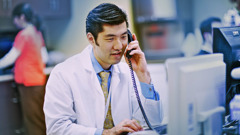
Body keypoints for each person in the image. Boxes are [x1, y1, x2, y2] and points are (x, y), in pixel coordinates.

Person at [44, 3, 163, 135]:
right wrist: (105, 133)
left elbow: (151, 124)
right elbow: (57, 129)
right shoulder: (63, 74)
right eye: (110, 38)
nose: (119, 46)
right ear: (91, 39)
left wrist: (143, 75)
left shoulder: (128, 72)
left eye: (123, 37)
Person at [0, 3, 48, 135]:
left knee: (31, 121)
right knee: (38, 118)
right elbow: (44, 58)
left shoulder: (23, 34)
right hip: (38, 82)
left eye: (14, 18)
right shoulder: (37, 32)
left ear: (21, 17)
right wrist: (22, 65)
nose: (14, 22)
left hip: (28, 84)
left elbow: (10, 58)